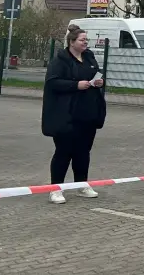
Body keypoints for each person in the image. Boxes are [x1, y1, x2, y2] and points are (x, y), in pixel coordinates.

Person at [41, 24, 106, 204]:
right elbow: (53, 83)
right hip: (67, 115)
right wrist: (75, 85)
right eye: (82, 40)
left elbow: (96, 74)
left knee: (83, 152)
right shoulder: (60, 61)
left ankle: (82, 184)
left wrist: (98, 82)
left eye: (86, 40)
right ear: (71, 42)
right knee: (64, 152)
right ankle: (55, 189)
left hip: (88, 114)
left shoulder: (89, 57)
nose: (85, 43)